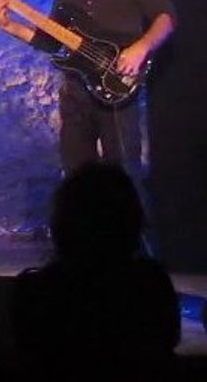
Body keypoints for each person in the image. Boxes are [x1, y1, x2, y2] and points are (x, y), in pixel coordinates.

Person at [0, 0, 176, 221]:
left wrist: (141, 47)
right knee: (76, 178)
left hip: (116, 89)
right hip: (75, 92)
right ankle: (82, 253)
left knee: (123, 176)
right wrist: (8, 25)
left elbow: (166, 17)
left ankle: (133, 253)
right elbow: (50, 41)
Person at [10, 162, 180, 380]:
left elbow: (21, 351)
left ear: (60, 223)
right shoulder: (151, 283)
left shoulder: (34, 291)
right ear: (133, 221)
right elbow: (168, 341)